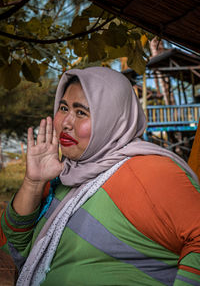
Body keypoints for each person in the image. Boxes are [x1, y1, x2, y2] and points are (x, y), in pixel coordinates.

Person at [1, 66, 200, 286]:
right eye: (63, 107)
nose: (66, 122)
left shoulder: (151, 172)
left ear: (112, 118)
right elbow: (16, 247)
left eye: (81, 112)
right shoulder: (65, 176)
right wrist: (33, 182)